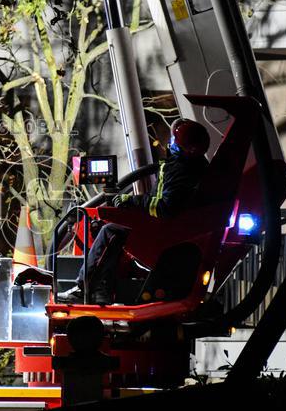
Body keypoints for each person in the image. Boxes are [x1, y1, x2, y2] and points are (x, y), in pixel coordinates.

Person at [59, 119, 211, 305]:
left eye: (173, 141)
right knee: (115, 229)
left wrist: (128, 200)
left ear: (180, 148)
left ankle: (84, 289)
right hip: (177, 234)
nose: (169, 144)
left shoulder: (179, 170)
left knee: (110, 231)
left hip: (164, 236)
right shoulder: (197, 168)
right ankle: (100, 292)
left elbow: (163, 207)